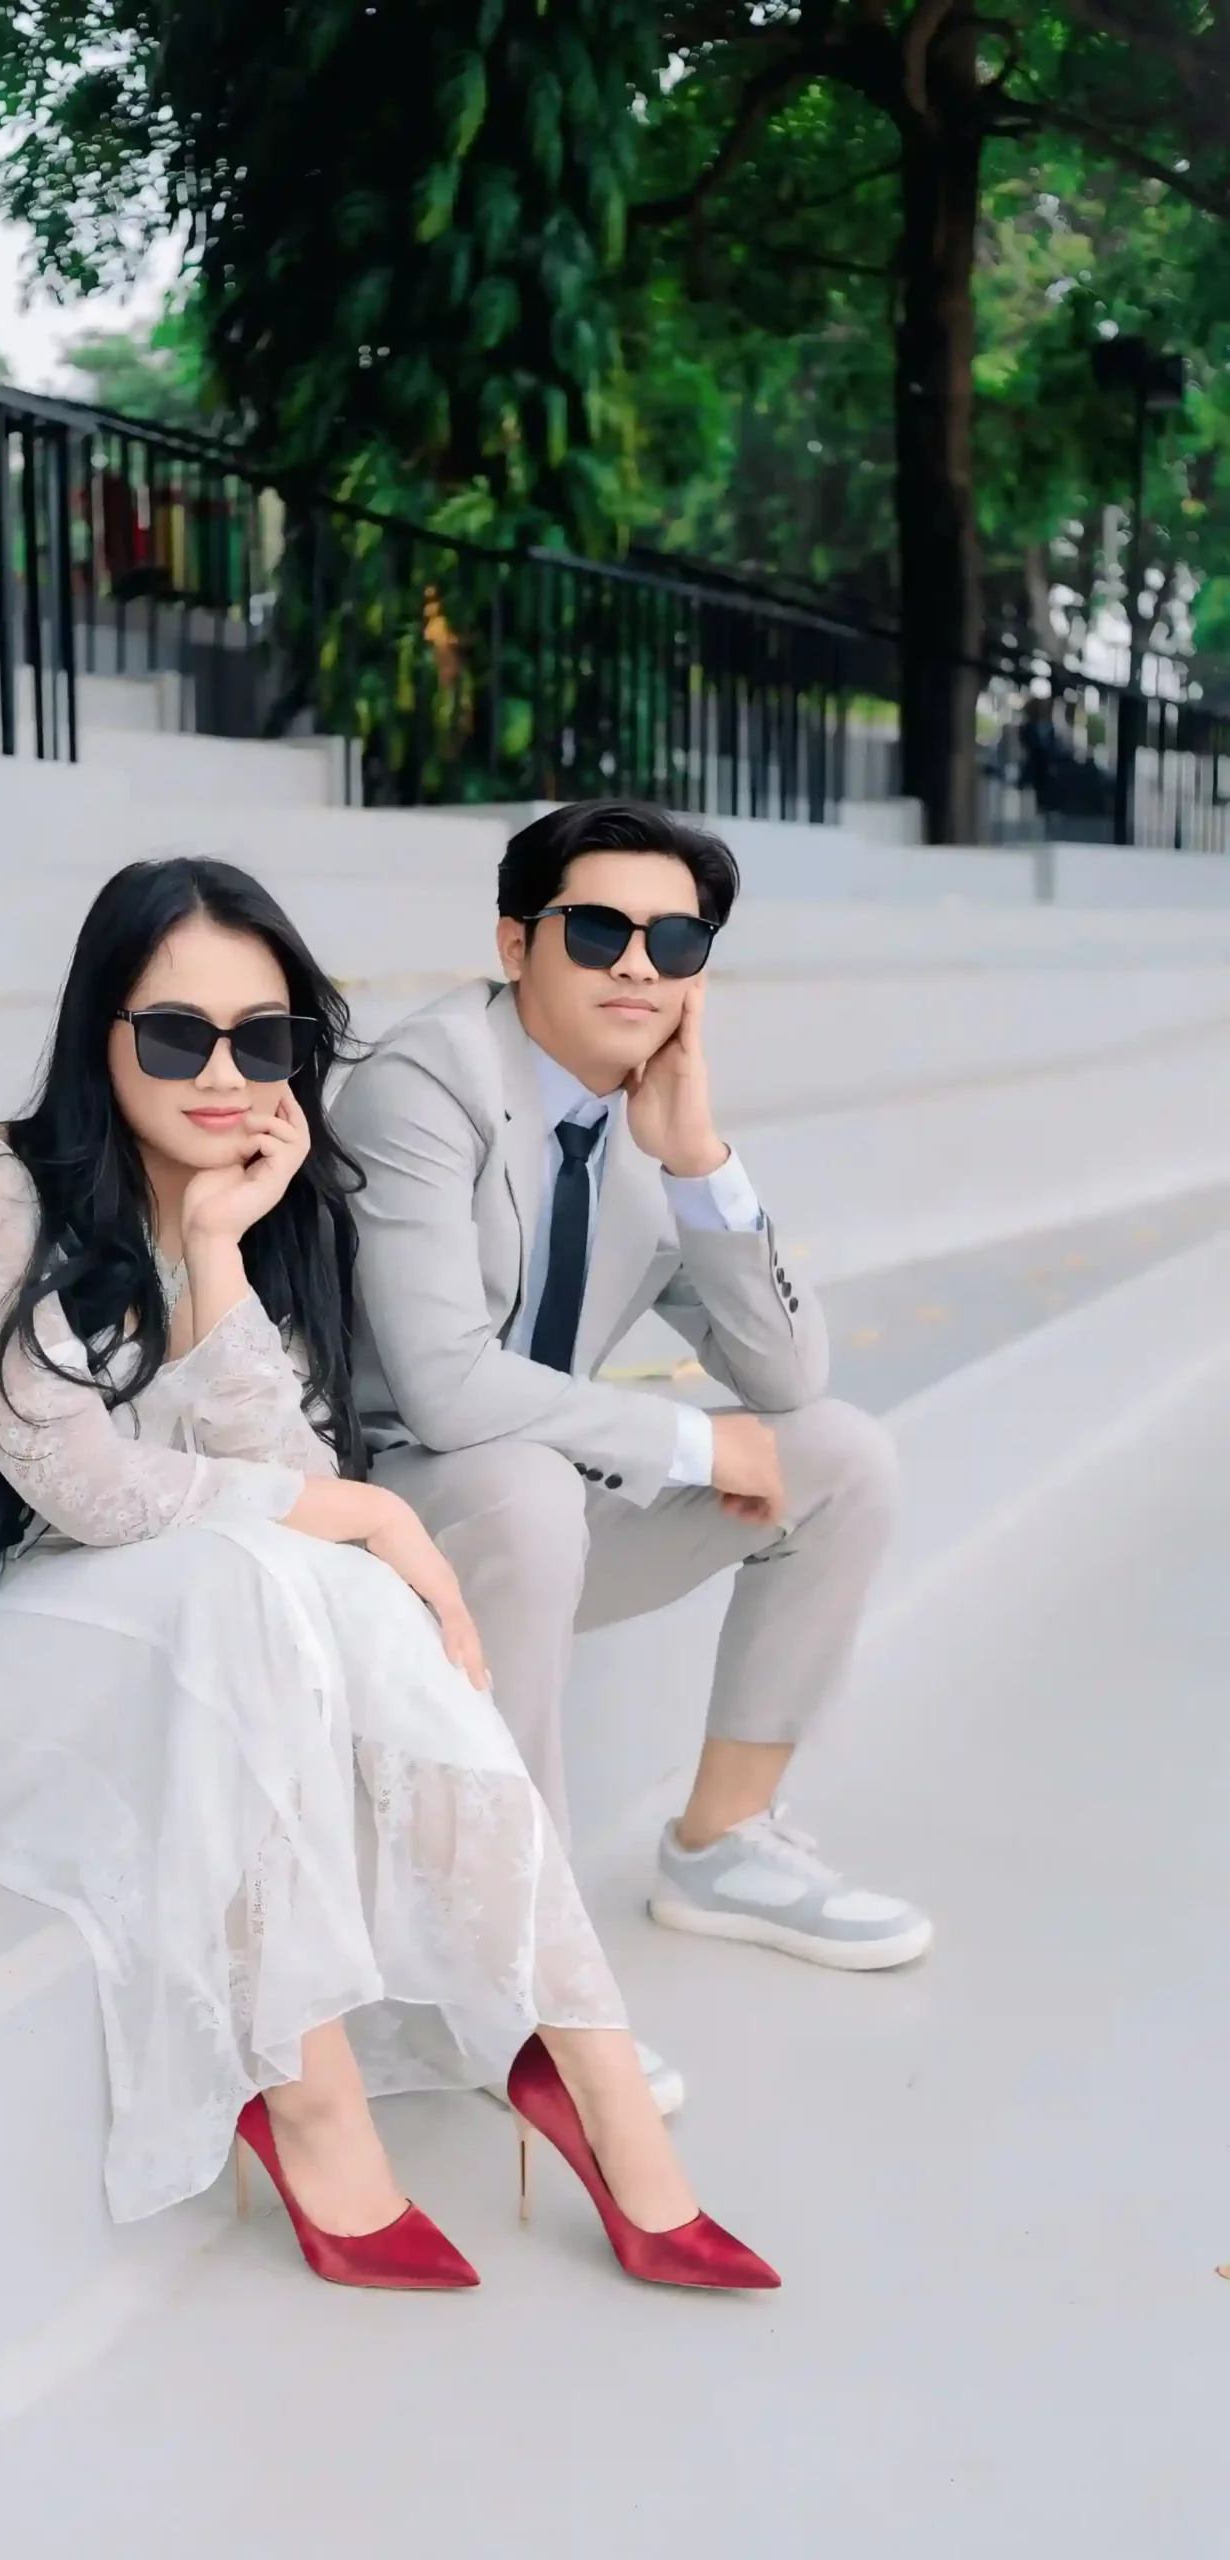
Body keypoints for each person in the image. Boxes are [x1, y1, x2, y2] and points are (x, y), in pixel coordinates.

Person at [0, 854, 777, 2295]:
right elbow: (80, 1484)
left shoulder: (254, 1202)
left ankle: (585, 2062)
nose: (222, 1075)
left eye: (263, 1041)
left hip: (146, 1634)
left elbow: (282, 1484)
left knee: (297, 1574)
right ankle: (315, 2103)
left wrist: (214, 1254)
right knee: (262, 1573)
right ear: (97, 1032)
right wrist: (373, 1518)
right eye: (174, 1035)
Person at [335, 803, 931, 2118]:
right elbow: (440, 1388)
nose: (638, 965)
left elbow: (789, 1379)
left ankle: (721, 1845)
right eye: (599, 929)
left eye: (675, 941)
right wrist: (688, 1439)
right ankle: (504, 1966)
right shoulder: (425, 1083)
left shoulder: (646, 1117)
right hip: (372, 1523)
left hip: (529, 1520)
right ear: (516, 942)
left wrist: (701, 1161)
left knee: (839, 1455)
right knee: (523, 1486)